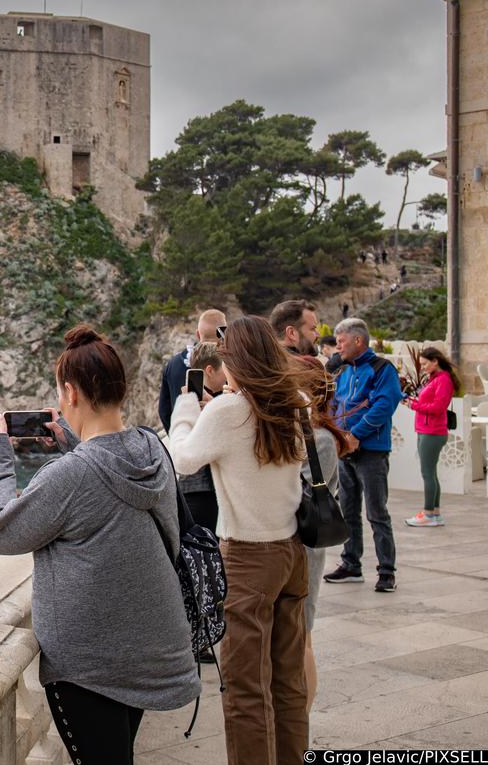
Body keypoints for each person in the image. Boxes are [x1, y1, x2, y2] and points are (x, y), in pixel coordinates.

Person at [0, 325, 199, 765]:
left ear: (70, 393)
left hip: (90, 666)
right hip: (148, 644)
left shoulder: (70, 476)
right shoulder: (152, 447)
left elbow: (0, 531)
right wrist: (70, 436)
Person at [169, 315, 310, 764]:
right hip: (292, 552)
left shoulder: (228, 412)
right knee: (288, 681)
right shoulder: (297, 401)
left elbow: (182, 461)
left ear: (237, 361)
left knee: (245, 688)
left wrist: (186, 412)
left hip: (248, 558)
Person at [324, 318, 403, 592]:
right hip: (346, 452)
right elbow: (334, 404)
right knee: (347, 511)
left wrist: (355, 434)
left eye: (342, 341)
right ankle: (351, 564)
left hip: (371, 453)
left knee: (377, 512)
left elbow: (385, 404)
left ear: (358, 341)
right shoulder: (342, 370)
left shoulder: (383, 369)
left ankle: (386, 571)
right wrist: (338, 435)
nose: (338, 347)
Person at [291, 357, 348, 711]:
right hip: (295, 544)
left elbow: (305, 492)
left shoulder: (322, 439)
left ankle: (303, 716)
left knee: (304, 637)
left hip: (308, 546)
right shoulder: (306, 433)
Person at [403, 347, 461, 527]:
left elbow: (437, 408)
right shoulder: (435, 379)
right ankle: (434, 513)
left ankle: (428, 514)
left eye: (426, 363)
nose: (423, 367)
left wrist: (414, 406)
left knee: (427, 473)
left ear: (435, 361)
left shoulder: (443, 380)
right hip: (426, 430)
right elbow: (428, 402)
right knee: (431, 473)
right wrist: (412, 401)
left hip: (432, 432)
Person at [178, 341, 226, 532]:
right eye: (224, 367)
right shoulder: (210, 403)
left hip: (193, 487)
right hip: (202, 488)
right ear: (210, 370)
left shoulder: (214, 400)